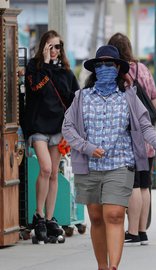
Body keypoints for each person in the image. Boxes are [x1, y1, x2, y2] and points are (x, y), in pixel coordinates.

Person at [62, 45, 156, 270]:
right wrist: (87, 147)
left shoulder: (129, 97)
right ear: (94, 70)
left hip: (120, 163)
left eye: (109, 64)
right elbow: (68, 127)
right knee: (96, 217)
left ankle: (113, 267)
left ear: (118, 68)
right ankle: (102, 265)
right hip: (89, 166)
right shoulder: (81, 97)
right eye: (100, 65)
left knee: (114, 214)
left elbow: (145, 125)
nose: (104, 69)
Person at [24, 30, 79, 242]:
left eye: (58, 47)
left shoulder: (65, 72)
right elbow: (36, 88)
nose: (55, 51)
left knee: (54, 173)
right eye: (50, 46)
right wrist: (45, 63)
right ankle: (38, 215)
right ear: (43, 47)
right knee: (45, 168)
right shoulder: (34, 68)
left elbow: (75, 98)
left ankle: (49, 218)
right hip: (38, 126)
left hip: (58, 128)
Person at [108, 33, 156, 246]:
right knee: (145, 184)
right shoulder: (143, 70)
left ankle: (133, 232)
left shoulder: (120, 73)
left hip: (131, 138)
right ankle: (143, 232)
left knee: (133, 185)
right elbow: (154, 102)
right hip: (147, 137)